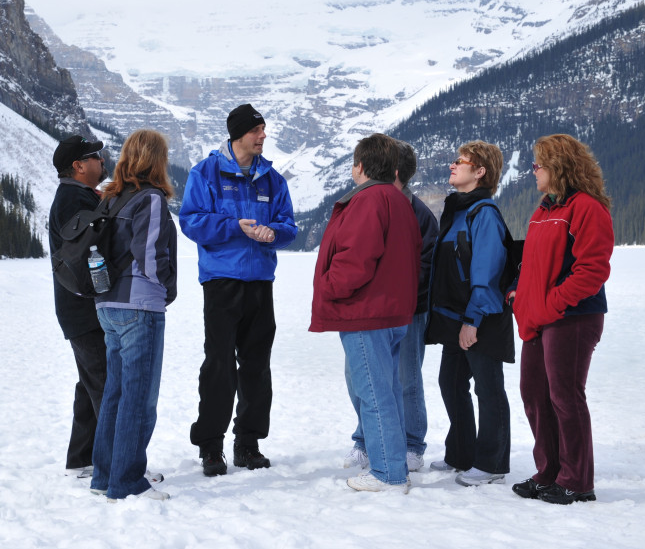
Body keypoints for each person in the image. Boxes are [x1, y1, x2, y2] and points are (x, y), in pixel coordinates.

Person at [179, 103, 298, 476]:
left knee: (257, 367)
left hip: (261, 283)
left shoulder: (273, 180)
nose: (263, 136)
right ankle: (211, 447)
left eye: (263, 130)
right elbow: (191, 221)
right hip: (221, 282)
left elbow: (289, 227)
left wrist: (273, 233)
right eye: (256, 131)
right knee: (219, 366)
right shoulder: (207, 172)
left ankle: (248, 443)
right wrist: (236, 227)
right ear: (238, 134)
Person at [311, 133, 421, 493]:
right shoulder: (398, 199)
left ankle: (388, 473)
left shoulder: (368, 199)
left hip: (366, 312)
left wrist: (328, 287)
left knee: (373, 393)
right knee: (385, 390)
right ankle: (389, 463)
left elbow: (356, 259)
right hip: (392, 312)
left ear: (360, 166)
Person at [509, 133, 614, 505]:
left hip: (574, 317)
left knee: (565, 397)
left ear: (559, 167)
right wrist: (519, 296)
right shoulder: (543, 210)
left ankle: (577, 480)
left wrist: (552, 302)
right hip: (541, 317)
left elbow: (592, 270)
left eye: (538, 165)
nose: (533, 171)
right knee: (535, 394)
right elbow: (534, 265)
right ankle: (550, 471)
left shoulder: (587, 208)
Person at [88, 129, 178, 501]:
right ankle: (126, 482)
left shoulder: (111, 197)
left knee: (116, 393)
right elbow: (151, 254)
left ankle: (104, 475)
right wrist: (167, 290)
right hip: (140, 305)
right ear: (158, 160)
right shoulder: (150, 198)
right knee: (138, 397)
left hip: (107, 303)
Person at [342, 140, 437, 474]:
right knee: (363, 377)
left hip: (408, 310)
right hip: (377, 309)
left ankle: (410, 444)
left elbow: (422, 269)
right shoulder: (377, 202)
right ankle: (366, 440)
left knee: (403, 378)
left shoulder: (418, 214)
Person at [426, 141, 513, 487]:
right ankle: (460, 453)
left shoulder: (484, 213)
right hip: (455, 317)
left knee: (488, 389)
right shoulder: (459, 210)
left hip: (480, 319)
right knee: (451, 382)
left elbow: (487, 271)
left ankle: (492, 464)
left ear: (480, 172)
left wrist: (473, 320)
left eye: (461, 162)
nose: (452, 165)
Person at [47, 134, 108, 478]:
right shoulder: (73, 199)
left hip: (78, 308)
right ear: (78, 166)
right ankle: (114, 466)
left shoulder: (79, 196)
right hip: (84, 308)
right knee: (105, 385)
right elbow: (88, 248)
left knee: (90, 383)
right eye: (95, 156)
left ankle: (81, 459)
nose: (102, 161)